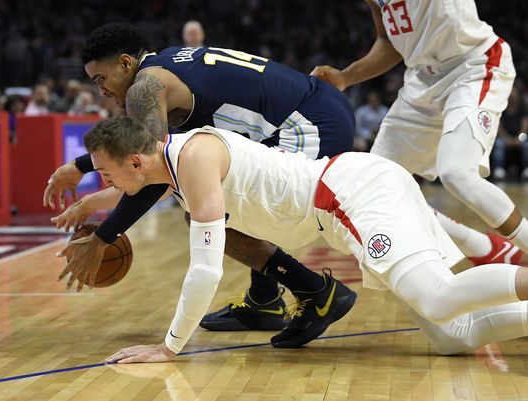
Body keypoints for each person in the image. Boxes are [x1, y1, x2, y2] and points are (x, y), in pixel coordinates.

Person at [59, 115, 528, 363]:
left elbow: (205, 268)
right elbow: (126, 190)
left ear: (135, 162)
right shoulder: (168, 164)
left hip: (351, 195)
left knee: (439, 299)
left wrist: (169, 347)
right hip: (349, 198)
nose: (103, 181)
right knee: (452, 337)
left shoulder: (196, 159)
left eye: (104, 173)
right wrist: (89, 204)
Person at [44, 23, 356, 333]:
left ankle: (316, 292)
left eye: (101, 78)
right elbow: (148, 156)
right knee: (210, 196)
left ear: (125, 63)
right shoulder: (166, 65)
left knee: (203, 211)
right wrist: (83, 170)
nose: (101, 90)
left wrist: (103, 238)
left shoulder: (144, 90)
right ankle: (264, 301)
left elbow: (154, 172)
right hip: (320, 109)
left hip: (309, 125)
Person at [312, 0, 527, 267]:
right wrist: (346, 77)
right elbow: (389, 41)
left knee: (457, 173)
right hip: (422, 80)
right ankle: (484, 248)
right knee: (375, 188)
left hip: (472, 65)